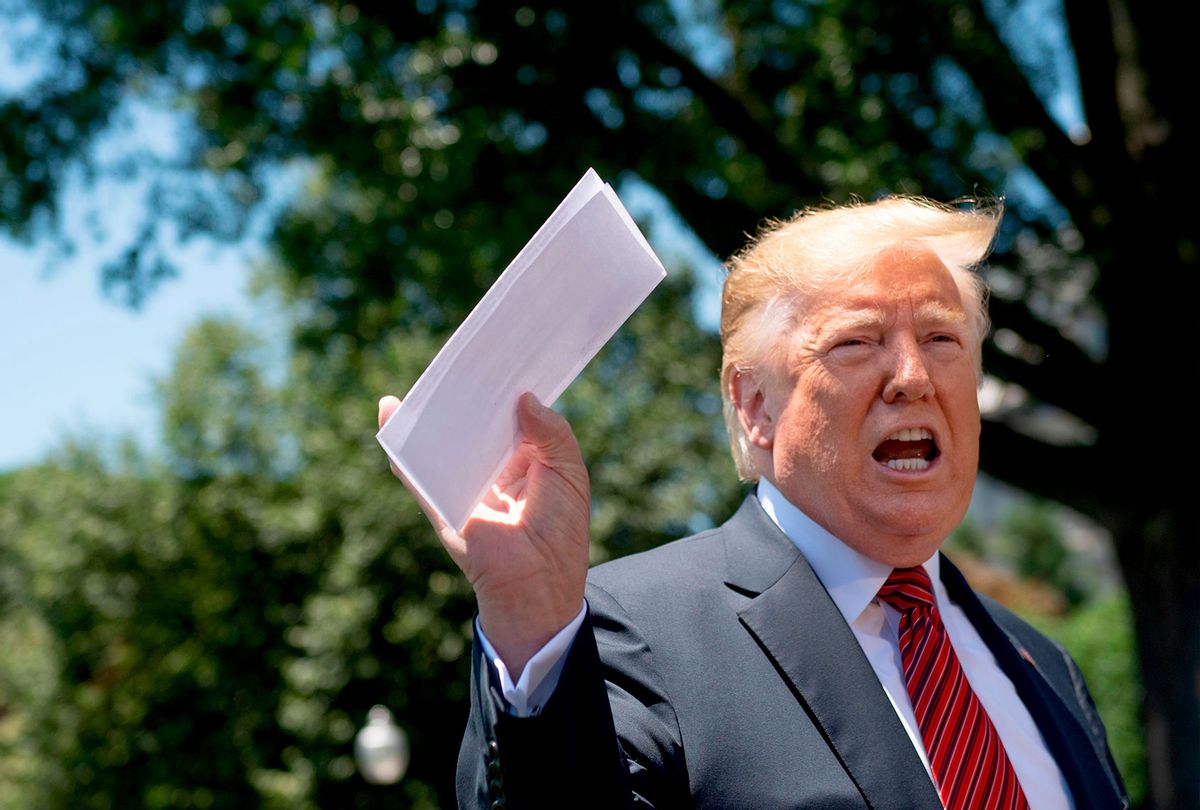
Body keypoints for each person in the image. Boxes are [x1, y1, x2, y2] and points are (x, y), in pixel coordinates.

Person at [378, 196, 1128, 809]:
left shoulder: (1046, 669)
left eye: (942, 339)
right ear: (755, 405)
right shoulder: (623, 636)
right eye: (856, 343)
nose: (912, 376)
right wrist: (530, 618)